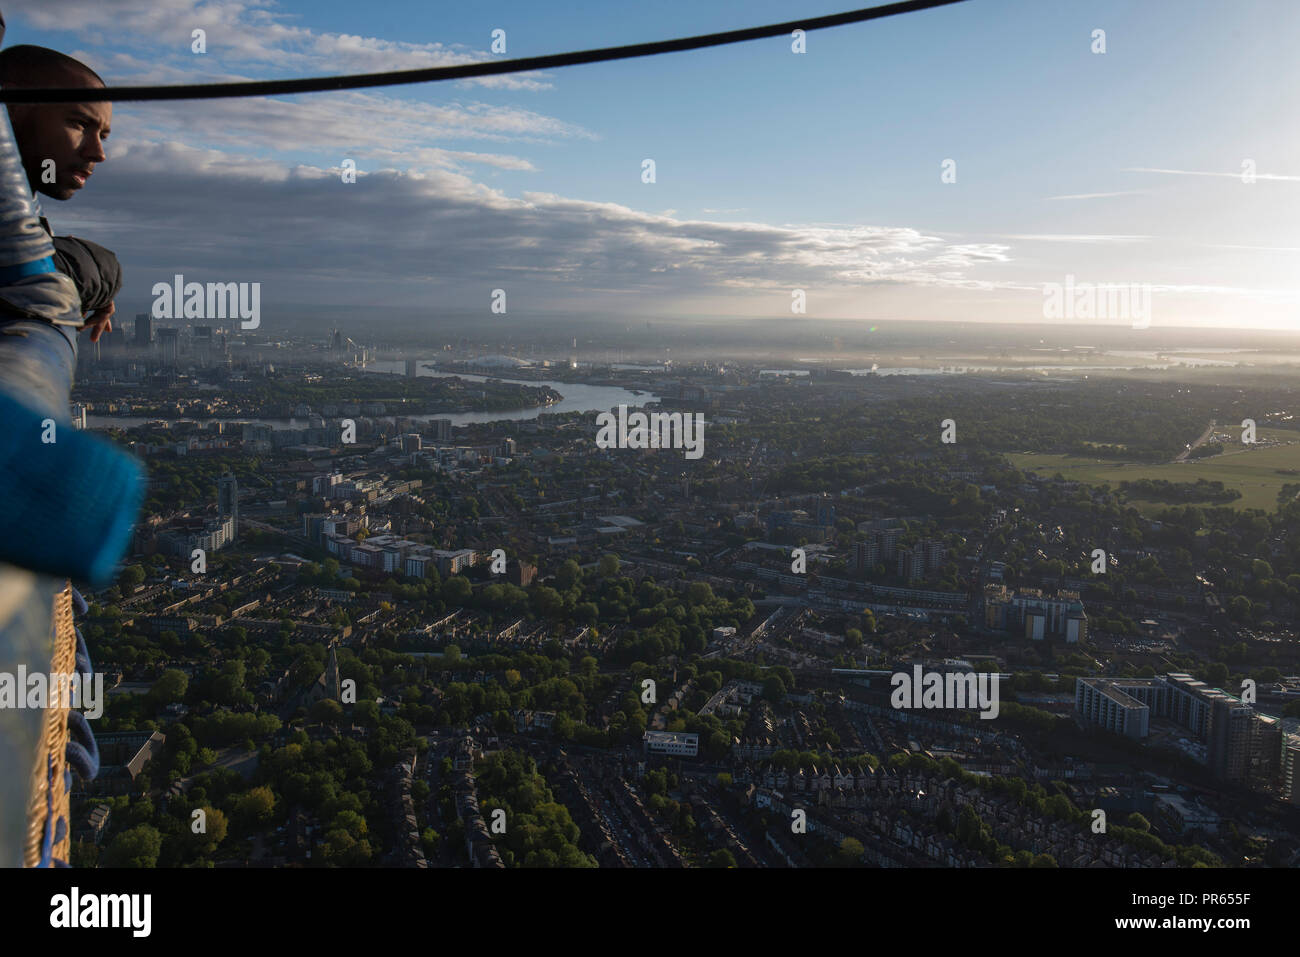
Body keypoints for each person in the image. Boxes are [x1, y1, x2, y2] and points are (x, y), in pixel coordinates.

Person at [0, 44, 115, 343]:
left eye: (102, 135)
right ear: (11, 108)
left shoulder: (21, 202)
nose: (98, 153)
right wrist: (98, 276)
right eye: (79, 124)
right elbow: (26, 273)